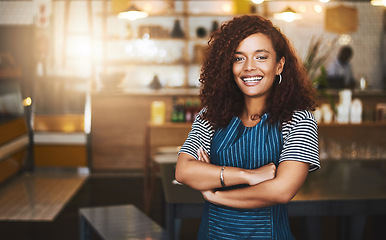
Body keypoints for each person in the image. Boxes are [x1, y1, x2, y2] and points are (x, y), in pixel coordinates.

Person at [175, 15, 320, 240]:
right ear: (228, 66)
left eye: (261, 57)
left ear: (279, 65)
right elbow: (184, 171)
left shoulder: (299, 120)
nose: (249, 67)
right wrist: (249, 176)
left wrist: (216, 195)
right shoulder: (210, 115)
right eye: (238, 58)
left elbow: (282, 190)